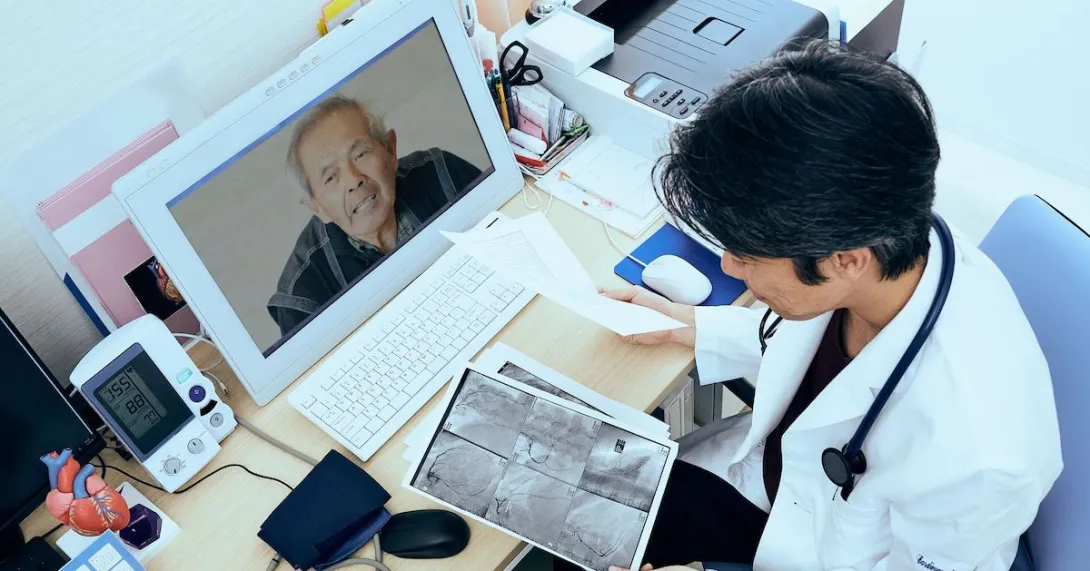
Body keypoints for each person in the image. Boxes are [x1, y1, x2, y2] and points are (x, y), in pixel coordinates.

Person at [566, 42, 1063, 571]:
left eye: (747, 256)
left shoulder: (977, 459)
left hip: (823, 553)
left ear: (845, 261)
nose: (730, 270)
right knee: (572, 518)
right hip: (773, 484)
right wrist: (691, 325)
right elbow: (803, 345)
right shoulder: (888, 237)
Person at [267, 95, 483, 335]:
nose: (353, 179)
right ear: (317, 207)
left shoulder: (443, 175)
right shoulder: (303, 295)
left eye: (360, 154)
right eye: (331, 177)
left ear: (390, 150)